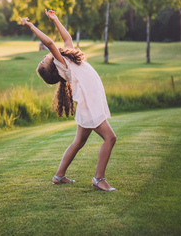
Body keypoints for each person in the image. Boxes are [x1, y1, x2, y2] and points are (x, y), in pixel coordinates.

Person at [20, 10, 117, 192]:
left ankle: (59, 176)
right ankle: (99, 179)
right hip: (89, 105)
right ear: (52, 68)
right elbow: (49, 43)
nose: (43, 58)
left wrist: (56, 20)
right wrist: (31, 25)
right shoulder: (62, 66)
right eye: (43, 62)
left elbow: (67, 39)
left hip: (90, 103)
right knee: (110, 138)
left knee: (79, 142)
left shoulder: (68, 59)